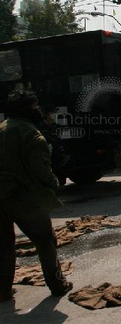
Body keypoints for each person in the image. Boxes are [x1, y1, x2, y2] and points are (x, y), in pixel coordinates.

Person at [0, 90, 73, 302]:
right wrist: (53, 184)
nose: (39, 110)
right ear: (27, 110)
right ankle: (57, 284)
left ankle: (3, 291)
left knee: (4, 245)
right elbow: (40, 169)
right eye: (35, 106)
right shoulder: (31, 134)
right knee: (45, 240)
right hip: (24, 198)